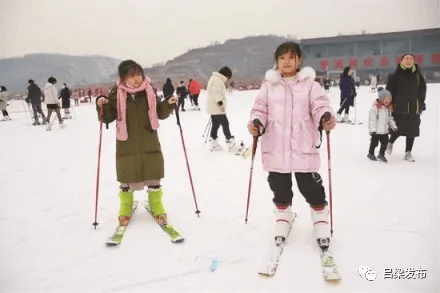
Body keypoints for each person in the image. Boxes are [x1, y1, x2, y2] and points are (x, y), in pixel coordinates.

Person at [247, 42, 336, 251]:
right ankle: (283, 217)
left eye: (291, 57)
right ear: (276, 62)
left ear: (299, 60)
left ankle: (321, 220)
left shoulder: (310, 85)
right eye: (282, 58)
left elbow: (320, 105)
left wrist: (325, 117)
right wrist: (256, 122)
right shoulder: (268, 86)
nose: (286, 62)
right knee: (279, 186)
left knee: (310, 186)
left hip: (303, 145)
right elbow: (259, 108)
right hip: (276, 147)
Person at [96, 60, 178, 226]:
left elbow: (159, 113)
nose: (137, 78)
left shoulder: (148, 91)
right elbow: (108, 117)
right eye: (131, 75)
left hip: (149, 140)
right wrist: (101, 104)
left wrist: (168, 103)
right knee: (126, 177)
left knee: (154, 175)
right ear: (123, 77)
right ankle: (126, 206)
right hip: (127, 143)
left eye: (139, 74)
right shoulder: (116, 93)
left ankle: (156, 204)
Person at [386, 53, 427, 162]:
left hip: (414, 106)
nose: (408, 60)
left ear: (413, 61)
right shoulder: (394, 75)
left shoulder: (418, 75)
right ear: (401, 61)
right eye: (406, 58)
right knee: (397, 129)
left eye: (411, 58)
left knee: (412, 130)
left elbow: (422, 89)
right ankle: (390, 143)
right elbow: (389, 91)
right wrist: (388, 103)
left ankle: (408, 152)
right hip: (399, 107)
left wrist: (421, 101)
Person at [206, 66, 235, 151]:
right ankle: (230, 142)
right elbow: (216, 94)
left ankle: (213, 143)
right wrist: (221, 105)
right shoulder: (217, 81)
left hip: (213, 108)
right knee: (225, 123)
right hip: (217, 108)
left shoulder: (214, 79)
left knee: (215, 125)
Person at [367, 87, 397, 163]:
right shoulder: (375, 108)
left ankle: (381, 154)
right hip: (376, 131)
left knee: (385, 143)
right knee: (374, 143)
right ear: (381, 98)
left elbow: (390, 118)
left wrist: (393, 125)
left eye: (389, 99)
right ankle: (371, 153)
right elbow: (372, 120)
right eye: (386, 99)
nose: (388, 101)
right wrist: (372, 129)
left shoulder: (388, 108)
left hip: (384, 131)